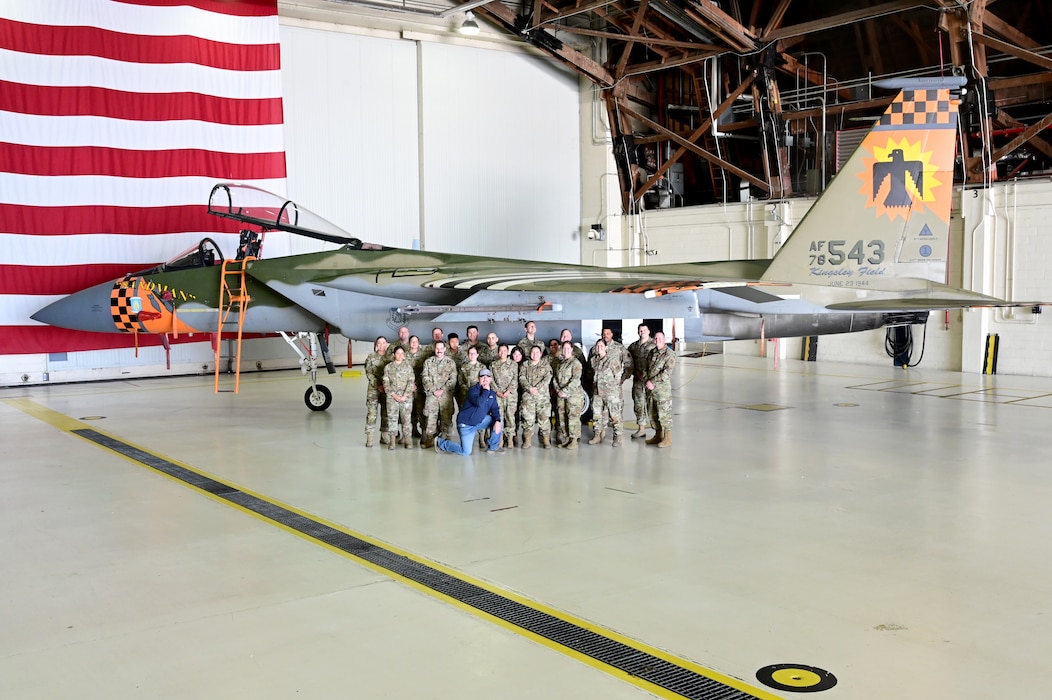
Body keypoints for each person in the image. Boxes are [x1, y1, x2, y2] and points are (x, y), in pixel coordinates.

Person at [435, 369, 504, 455]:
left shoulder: (492, 394)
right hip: (466, 425)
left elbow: (495, 409)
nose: (485, 379)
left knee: (497, 420)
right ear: (478, 378)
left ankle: (493, 447)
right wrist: (486, 390)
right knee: (466, 452)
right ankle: (441, 443)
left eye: (487, 377)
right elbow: (480, 403)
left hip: (478, 422)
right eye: (482, 376)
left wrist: (497, 421)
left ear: (490, 379)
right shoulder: (473, 390)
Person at [421, 340, 457, 448]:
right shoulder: (428, 362)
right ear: (434, 349)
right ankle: (430, 439)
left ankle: (446, 439)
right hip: (432, 395)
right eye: (437, 348)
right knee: (430, 418)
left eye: (441, 348)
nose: (439, 350)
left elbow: (453, 379)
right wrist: (433, 389)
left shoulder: (450, 363)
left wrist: (443, 390)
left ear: (445, 349)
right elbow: (425, 377)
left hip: (445, 396)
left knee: (446, 418)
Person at [589, 339, 624, 446]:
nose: (599, 348)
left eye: (601, 346)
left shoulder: (612, 360)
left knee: (614, 415)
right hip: (597, 393)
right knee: (597, 415)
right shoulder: (593, 360)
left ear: (606, 347)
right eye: (597, 346)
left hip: (610, 393)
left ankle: (617, 437)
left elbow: (618, 376)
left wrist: (613, 389)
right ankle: (597, 435)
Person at [644, 331, 676, 448]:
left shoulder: (669, 354)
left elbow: (667, 373)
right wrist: (646, 381)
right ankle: (658, 435)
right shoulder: (652, 353)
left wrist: (652, 382)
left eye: (660, 338)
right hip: (651, 390)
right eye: (656, 338)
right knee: (653, 413)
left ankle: (667, 438)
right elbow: (647, 368)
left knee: (664, 414)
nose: (657, 340)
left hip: (662, 390)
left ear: (664, 339)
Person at [518, 345, 553, 449]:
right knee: (528, 419)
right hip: (528, 398)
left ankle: (546, 440)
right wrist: (529, 388)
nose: (535, 354)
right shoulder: (525, 365)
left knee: (544, 419)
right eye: (533, 352)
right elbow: (521, 377)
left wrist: (536, 388)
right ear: (530, 353)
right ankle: (527, 441)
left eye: (537, 352)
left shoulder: (546, 365)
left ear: (541, 354)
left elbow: (548, 378)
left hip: (542, 397)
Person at [382, 346, 416, 449]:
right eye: (398, 353)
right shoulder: (388, 367)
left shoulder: (408, 367)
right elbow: (386, 383)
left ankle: (408, 440)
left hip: (406, 398)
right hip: (392, 398)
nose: (400, 355)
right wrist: (394, 395)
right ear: (393, 355)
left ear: (404, 355)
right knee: (392, 419)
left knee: (406, 420)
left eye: (402, 353)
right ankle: (392, 441)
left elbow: (411, 382)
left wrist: (405, 395)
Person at [553, 340, 585, 449]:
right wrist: (558, 390)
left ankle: (574, 439)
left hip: (573, 395)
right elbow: (555, 379)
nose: (566, 350)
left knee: (573, 417)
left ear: (572, 349)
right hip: (561, 395)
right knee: (562, 416)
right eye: (564, 348)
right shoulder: (560, 363)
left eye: (568, 348)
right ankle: (567, 437)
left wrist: (564, 391)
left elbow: (576, 380)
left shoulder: (575, 363)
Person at [627, 323, 656, 439]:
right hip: (638, 380)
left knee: (652, 405)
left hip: (650, 381)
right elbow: (628, 361)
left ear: (649, 331)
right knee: (638, 404)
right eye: (640, 330)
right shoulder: (633, 347)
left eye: (644, 330)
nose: (642, 332)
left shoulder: (654, 345)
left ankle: (657, 431)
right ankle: (641, 429)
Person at [490, 344, 519, 448]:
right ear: (498, 352)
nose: (502, 353)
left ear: (508, 352)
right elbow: (491, 380)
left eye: (504, 351)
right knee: (499, 416)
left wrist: (508, 391)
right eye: (500, 351)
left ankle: (510, 438)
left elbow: (515, 379)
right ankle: (500, 438)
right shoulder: (493, 365)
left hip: (510, 395)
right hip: (498, 395)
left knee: (510, 416)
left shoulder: (513, 364)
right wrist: (497, 391)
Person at [364, 336, 389, 447]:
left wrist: (385, 386)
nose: (382, 345)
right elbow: (369, 373)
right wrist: (378, 385)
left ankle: (384, 436)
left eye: (384, 343)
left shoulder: (390, 357)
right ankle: (369, 438)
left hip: (386, 390)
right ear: (376, 345)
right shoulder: (371, 357)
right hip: (374, 390)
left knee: (386, 414)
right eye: (379, 343)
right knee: (372, 414)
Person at [404, 335, 427, 439]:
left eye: (416, 341)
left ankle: (424, 433)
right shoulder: (404, 355)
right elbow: (402, 371)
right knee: (409, 410)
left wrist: (416, 383)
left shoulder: (424, 355)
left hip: (420, 387)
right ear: (409, 343)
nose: (414, 343)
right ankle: (413, 430)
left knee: (421, 409)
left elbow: (426, 371)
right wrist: (410, 384)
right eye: (412, 341)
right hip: (408, 388)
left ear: (418, 342)